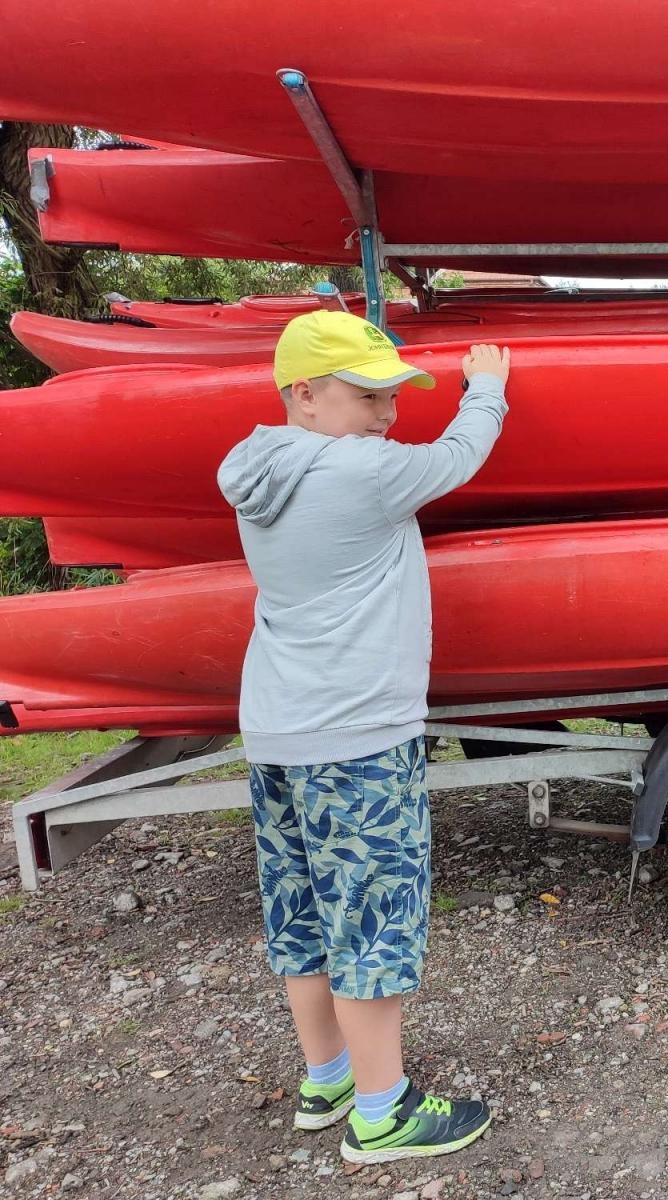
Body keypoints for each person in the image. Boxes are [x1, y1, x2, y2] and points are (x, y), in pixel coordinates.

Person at [217, 310, 511, 1159]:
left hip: (277, 729)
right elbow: (457, 456)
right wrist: (485, 388)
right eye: (368, 394)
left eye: (392, 396)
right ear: (304, 394)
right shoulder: (357, 472)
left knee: (304, 914)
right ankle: (384, 1114)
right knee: (375, 919)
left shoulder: (256, 470)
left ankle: (329, 1077)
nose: (388, 414)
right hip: (354, 737)